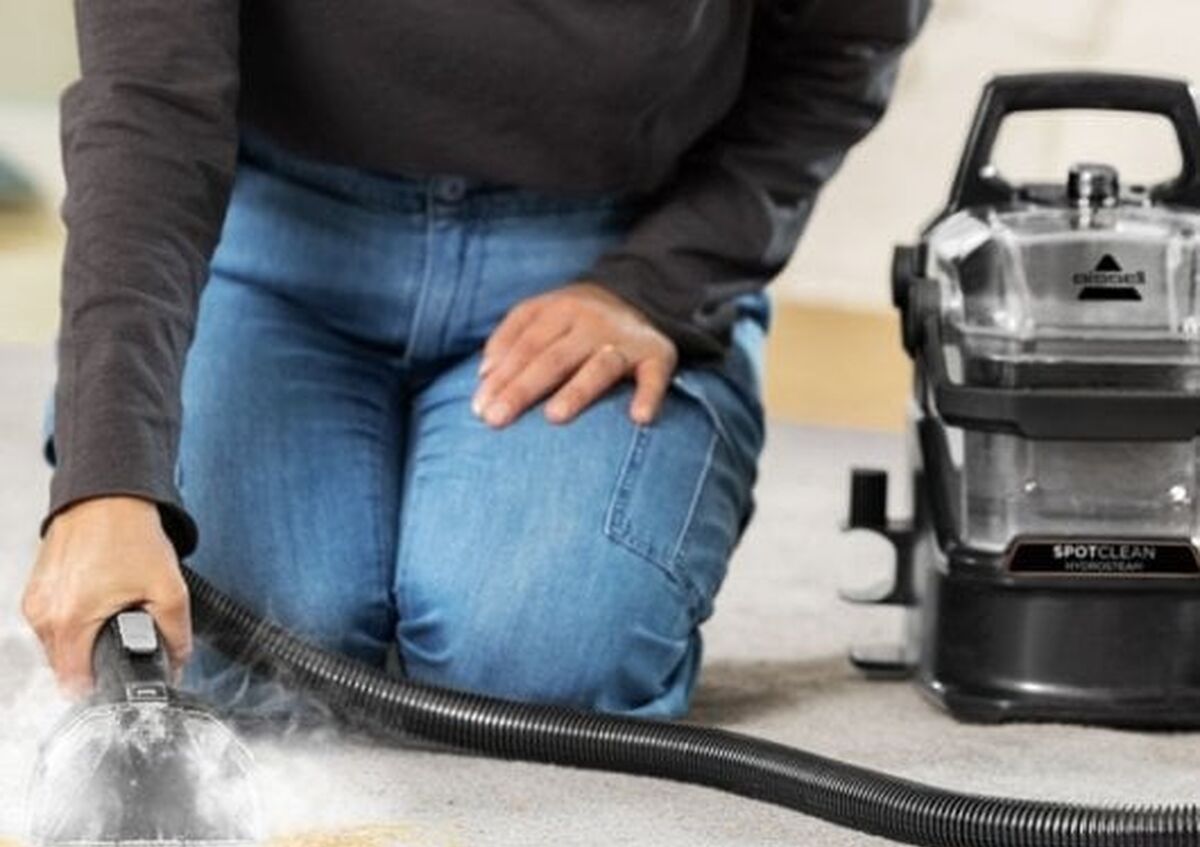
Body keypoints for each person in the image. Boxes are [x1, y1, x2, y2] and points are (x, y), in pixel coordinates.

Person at [22, 0, 929, 719]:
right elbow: (149, 101)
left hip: (605, 243)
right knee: (247, 647)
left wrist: (666, 279)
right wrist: (109, 478)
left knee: (538, 666)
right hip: (266, 231)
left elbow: (842, 49)